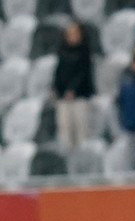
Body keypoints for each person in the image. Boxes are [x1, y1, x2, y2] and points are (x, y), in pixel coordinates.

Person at [53, 22, 97, 151]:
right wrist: (57, 88)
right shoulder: (62, 52)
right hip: (63, 97)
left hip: (80, 96)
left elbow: (83, 73)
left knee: (80, 127)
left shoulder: (85, 52)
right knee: (64, 127)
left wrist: (73, 89)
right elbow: (58, 72)